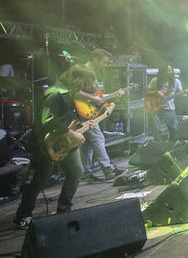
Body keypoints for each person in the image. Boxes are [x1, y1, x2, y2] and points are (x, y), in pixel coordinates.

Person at [15, 65, 96, 228]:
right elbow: (48, 119)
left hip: (64, 141)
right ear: (78, 80)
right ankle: (22, 216)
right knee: (40, 179)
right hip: (47, 143)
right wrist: (72, 133)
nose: (86, 88)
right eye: (86, 83)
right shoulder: (54, 93)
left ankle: (64, 210)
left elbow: (65, 117)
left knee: (76, 171)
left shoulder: (67, 93)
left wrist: (82, 125)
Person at [79, 48, 122, 181]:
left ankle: (85, 173)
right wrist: (95, 99)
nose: (105, 65)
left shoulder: (91, 74)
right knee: (98, 139)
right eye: (104, 62)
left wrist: (114, 94)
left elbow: (98, 96)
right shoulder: (83, 72)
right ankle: (108, 170)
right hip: (83, 112)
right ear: (95, 59)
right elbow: (75, 92)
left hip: (86, 111)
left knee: (87, 143)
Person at [146, 64, 183, 141]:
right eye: (167, 70)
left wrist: (186, 94)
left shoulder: (176, 82)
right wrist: (156, 92)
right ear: (162, 72)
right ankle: (159, 146)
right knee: (156, 129)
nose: (169, 72)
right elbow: (147, 91)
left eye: (170, 70)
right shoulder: (155, 80)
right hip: (156, 107)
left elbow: (181, 94)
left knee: (174, 129)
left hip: (169, 107)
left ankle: (171, 145)